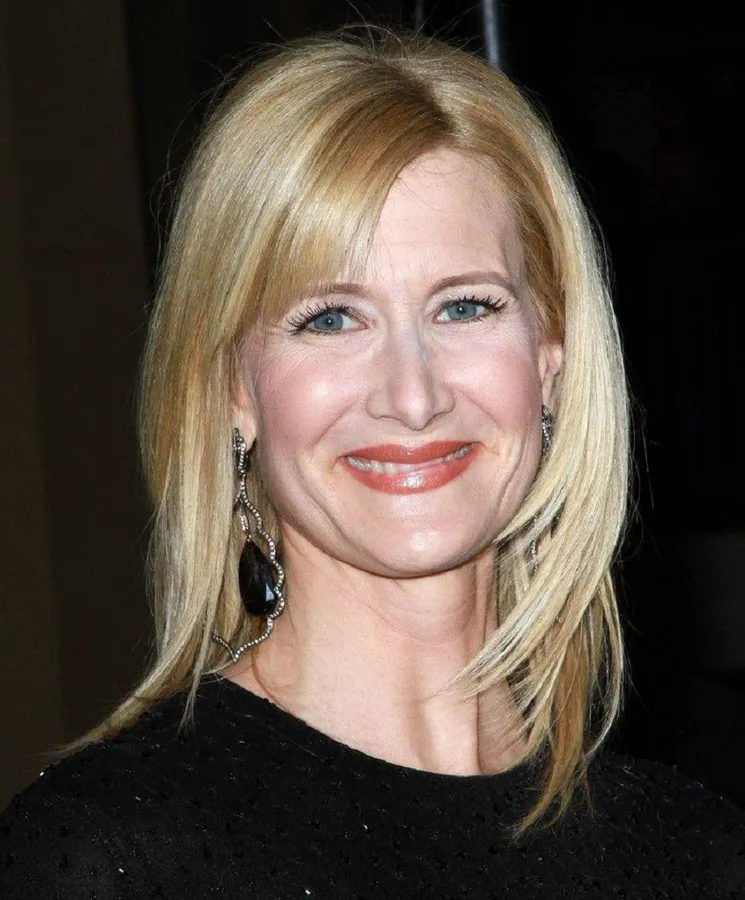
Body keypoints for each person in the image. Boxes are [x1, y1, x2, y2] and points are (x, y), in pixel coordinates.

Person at [1, 29, 743, 899]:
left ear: (551, 355)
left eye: (464, 307)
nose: (412, 395)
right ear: (233, 389)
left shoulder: (696, 850)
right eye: (330, 319)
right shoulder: (103, 856)